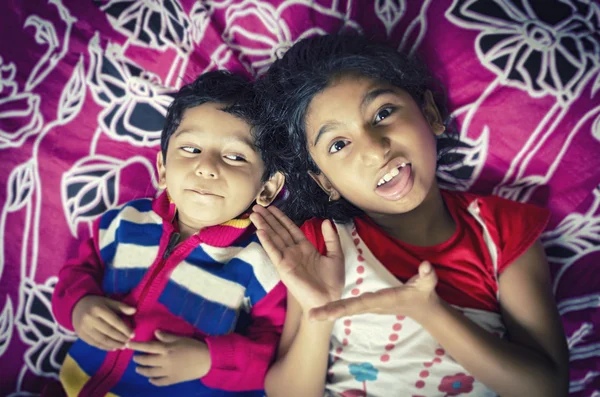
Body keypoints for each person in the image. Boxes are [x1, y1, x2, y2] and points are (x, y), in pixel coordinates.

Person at [250, 34, 569, 397]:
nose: (374, 150)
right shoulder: (323, 245)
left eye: (383, 113)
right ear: (325, 181)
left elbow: (547, 388)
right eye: (338, 144)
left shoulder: (502, 231)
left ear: (430, 114)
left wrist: (429, 311)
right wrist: (318, 311)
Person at [52, 71, 286, 397]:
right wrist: (79, 307)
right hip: (76, 383)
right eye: (190, 149)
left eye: (234, 156)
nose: (207, 167)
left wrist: (209, 360)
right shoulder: (122, 222)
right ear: (162, 168)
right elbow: (75, 273)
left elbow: (276, 351)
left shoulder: (262, 264)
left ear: (267, 188)